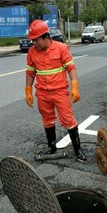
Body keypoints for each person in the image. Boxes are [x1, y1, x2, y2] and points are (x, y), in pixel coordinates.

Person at [24, 19, 86, 163]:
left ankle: (78, 150)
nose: (33, 44)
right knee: (47, 120)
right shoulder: (32, 52)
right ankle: (52, 147)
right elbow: (30, 72)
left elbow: (71, 68)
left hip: (59, 92)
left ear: (46, 37)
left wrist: (74, 86)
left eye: (36, 40)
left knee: (68, 120)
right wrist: (28, 90)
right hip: (42, 93)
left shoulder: (61, 48)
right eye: (32, 41)